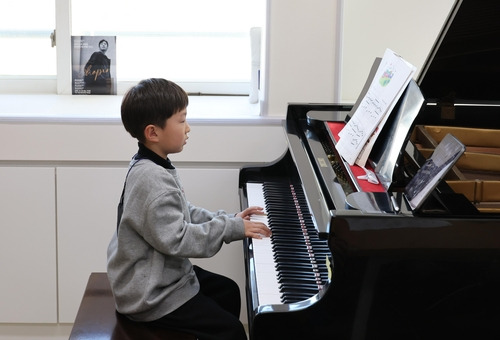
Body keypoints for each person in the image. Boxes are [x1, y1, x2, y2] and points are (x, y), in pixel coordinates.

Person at [107, 78, 271, 340]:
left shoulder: (153, 164)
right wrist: (231, 229)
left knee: (228, 291)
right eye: (182, 120)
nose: (188, 128)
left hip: (161, 274)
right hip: (150, 294)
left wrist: (230, 220)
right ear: (153, 133)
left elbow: (182, 212)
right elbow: (179, 240)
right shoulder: (151, 180)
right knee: (232, 331)